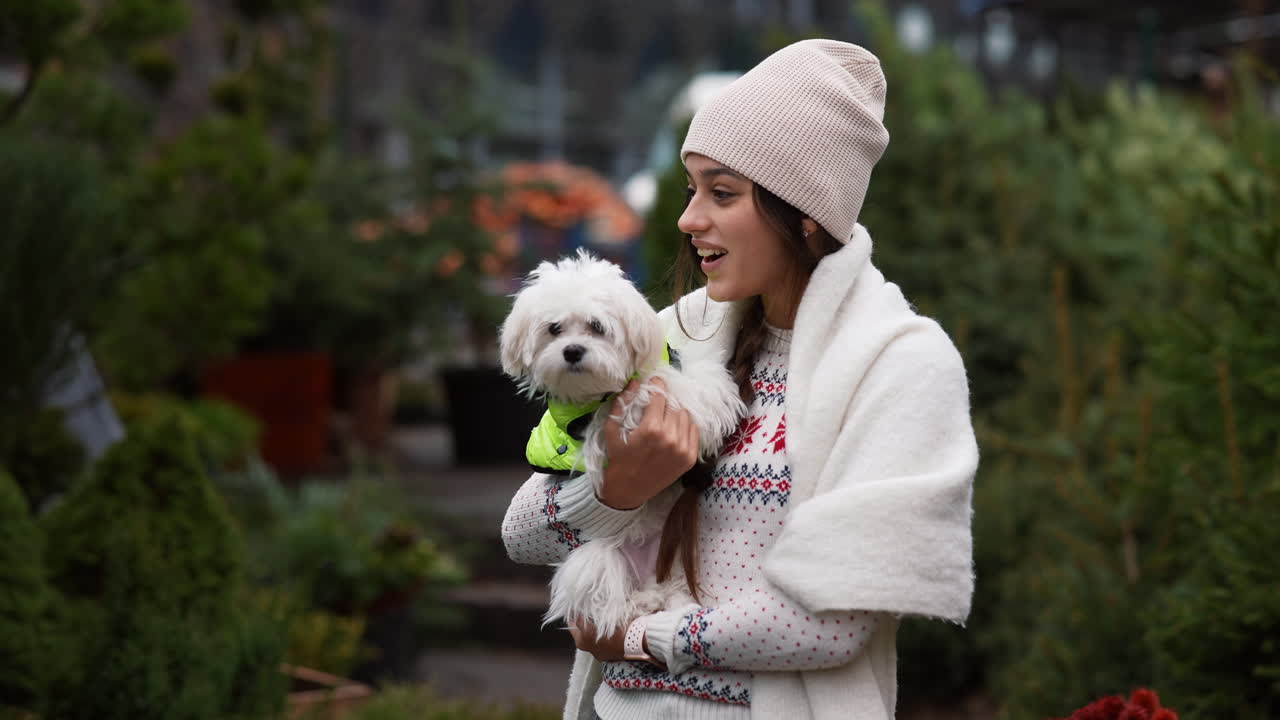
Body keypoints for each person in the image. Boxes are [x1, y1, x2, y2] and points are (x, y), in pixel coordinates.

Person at [501, 38, 978, 720]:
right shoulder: (667, 336)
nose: (688, 218)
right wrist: (617, 489)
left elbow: (829, 620)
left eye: (721, 192)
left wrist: (641, 636)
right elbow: (522, 534)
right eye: (692, 187)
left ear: (805, 213)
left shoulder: (899, 364)